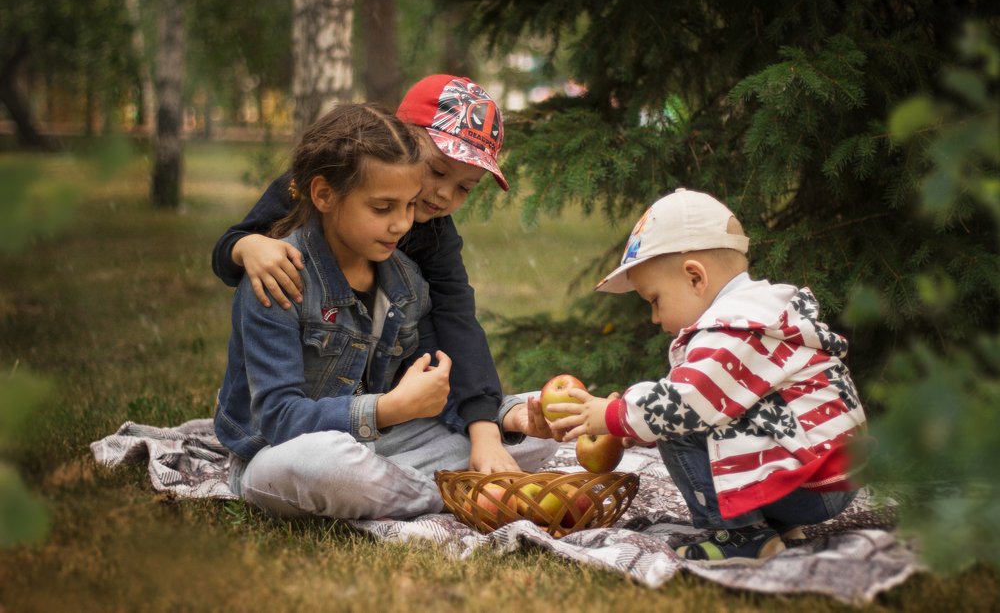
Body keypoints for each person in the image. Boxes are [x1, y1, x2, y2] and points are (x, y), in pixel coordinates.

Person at [214, 103, 555, 520]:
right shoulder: (277, 274)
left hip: (376, 441)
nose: (402, 225)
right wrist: (388, 409)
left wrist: (506, 419)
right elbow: (278, 418)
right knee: (326, 465)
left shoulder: (407, 282)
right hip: (280, 450)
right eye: (382, 208)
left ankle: (412, 485)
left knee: (537, 430)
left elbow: (437, 372)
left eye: (409, 205)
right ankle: (454, 492)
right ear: (324, 195)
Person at [546, 188, 868, 564]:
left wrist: (614, 415)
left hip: (808, 486)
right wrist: (638, 424)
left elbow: (685, 403)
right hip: (830, 475)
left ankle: (741, 537)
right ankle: (773, 525)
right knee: (692, 416)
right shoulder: (763, 312)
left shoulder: (730, 329)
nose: (654, 317)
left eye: (655, 300)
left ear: (695, 278)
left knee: (676, 426)